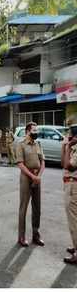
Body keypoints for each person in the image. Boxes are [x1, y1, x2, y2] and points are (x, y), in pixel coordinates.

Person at [15, 122, 45, 247]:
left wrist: (38, 176)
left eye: (36, 130)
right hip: (26, 178)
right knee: (24, 207)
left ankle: (35, 234)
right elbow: (20, 164)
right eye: (34, 130)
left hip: (37, 178)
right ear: (27, 131)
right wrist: (32, 176)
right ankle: (21, 236)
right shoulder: (21, 145)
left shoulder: (38, 144)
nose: (36, 132)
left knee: (37, 207)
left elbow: (42, 161)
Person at [61, 114, 77, 265]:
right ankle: (75, 245)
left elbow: (68, 166)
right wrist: (64, 146)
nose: (67, 134)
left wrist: (67, 147)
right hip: (70, 183)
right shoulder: (73, 146)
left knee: (74, 219)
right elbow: (62, 163)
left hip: (74, 186)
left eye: (69, 131)